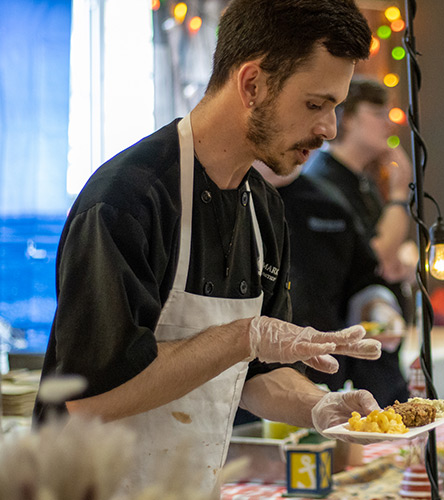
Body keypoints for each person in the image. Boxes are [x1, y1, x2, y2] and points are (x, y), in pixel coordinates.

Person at [33, 0, 384, 494]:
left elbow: (255, 373)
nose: (328, 130)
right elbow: (92, 397)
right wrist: (244, 336)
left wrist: (317, 406)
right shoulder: (127, 200)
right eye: (315, 104)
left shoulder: (264, 209)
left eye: (335, 108)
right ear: (253, 84)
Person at [254, 161, 410, 407]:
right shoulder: (228, 195)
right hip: (246, 395)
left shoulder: (329, 202)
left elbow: (363, 277)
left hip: (324, 383)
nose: (325, 130)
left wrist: (377, 307)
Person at [302, 79, 415, 288]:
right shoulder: (323, 184)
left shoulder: (362, 180)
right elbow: (377, 261)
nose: (388, 123)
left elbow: (389, 266)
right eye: (378, 113)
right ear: (348, 119)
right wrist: (399, 194)